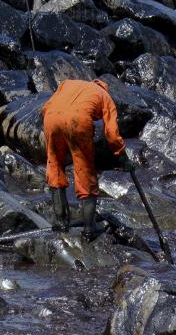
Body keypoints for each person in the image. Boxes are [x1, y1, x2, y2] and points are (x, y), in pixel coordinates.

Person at [41, 79, 134, 241]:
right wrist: (123, 157)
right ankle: (89, 229)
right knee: (84, 169)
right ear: (105, 87)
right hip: (78, 120)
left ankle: (61, 223)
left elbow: (46, 107)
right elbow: (112, 133)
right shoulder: (105, 96)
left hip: (50, 117)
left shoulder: (68, 83)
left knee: (54, 164)